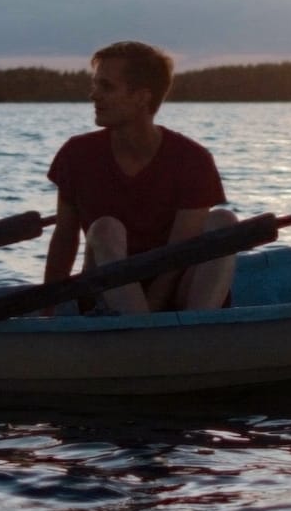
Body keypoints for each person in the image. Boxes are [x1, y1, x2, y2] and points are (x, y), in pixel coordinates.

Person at [42, 41, 237, 314]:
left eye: (106, 87)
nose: (93, 95)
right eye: (95, 85)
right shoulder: (76, 154)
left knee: (224, 222)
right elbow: (64, 239)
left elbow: (178, 256)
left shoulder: (193, 159)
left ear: (141, 97)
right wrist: (47, 311)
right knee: (105, 229)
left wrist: (153, 307)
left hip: (174, 292)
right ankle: (143, 333)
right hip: (105, 294)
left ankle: (195, 332)